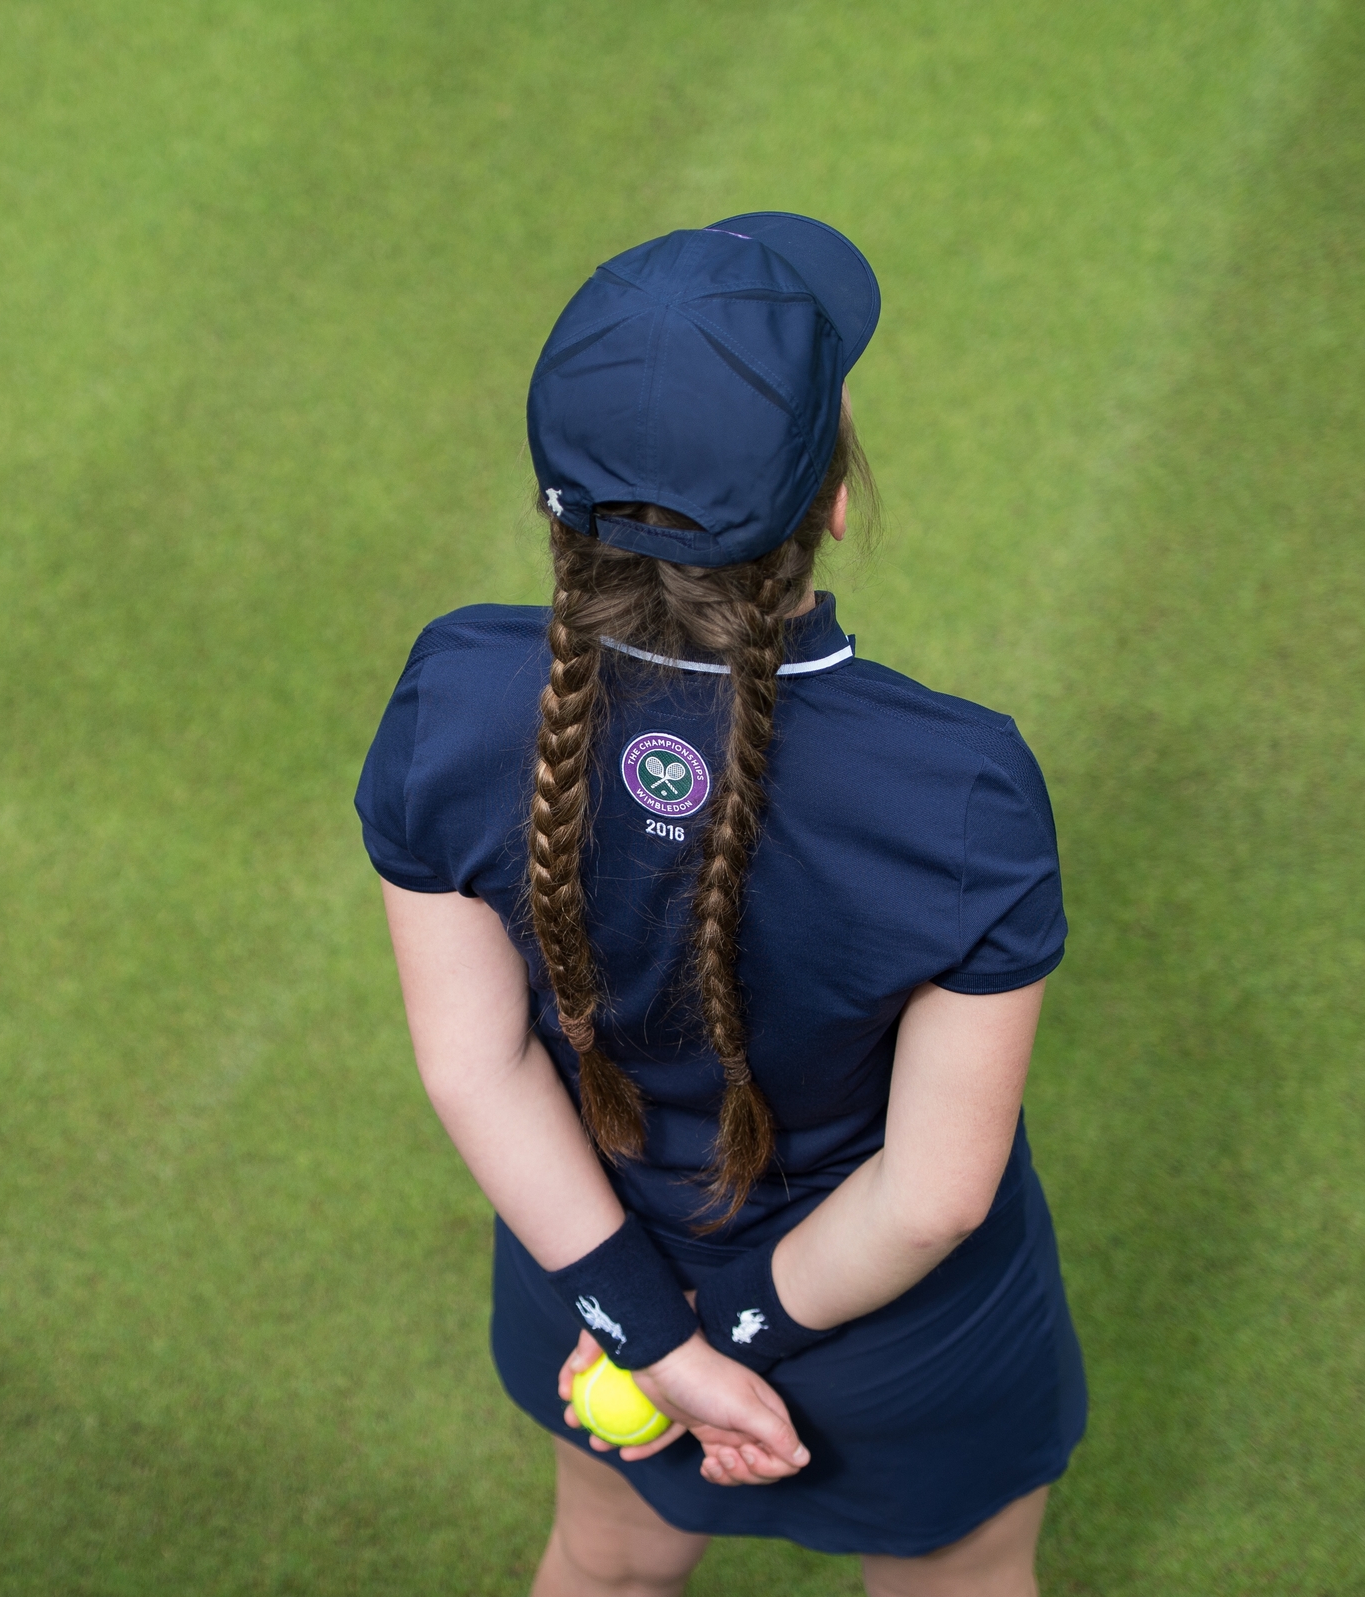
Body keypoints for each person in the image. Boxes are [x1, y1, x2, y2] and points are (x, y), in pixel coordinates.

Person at [355, 216, 1087, 1597]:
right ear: (832, 506)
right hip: (894, 1341)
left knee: (610, 1564)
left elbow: (473, 1062)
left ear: (554, 508)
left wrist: (653, 1339)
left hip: (593, 1284)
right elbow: (931, 1197)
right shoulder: (961, 782)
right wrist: (728, 1334)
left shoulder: (450, 698)